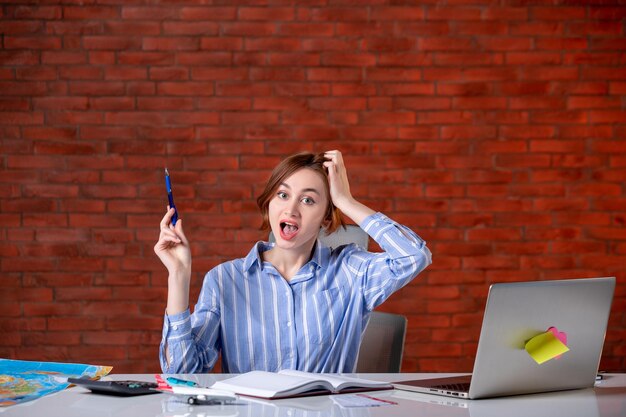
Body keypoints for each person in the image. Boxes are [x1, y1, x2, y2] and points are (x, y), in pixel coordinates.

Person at [155, 150, 432, 374]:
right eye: (283, 195)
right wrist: (178, 276)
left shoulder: (350, 270)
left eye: (309, 200)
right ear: (269, 203)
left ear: (326, 217)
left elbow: (413, 256)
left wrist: (346, 201)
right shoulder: (225, 280)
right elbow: (180, 373)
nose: (291, 209)